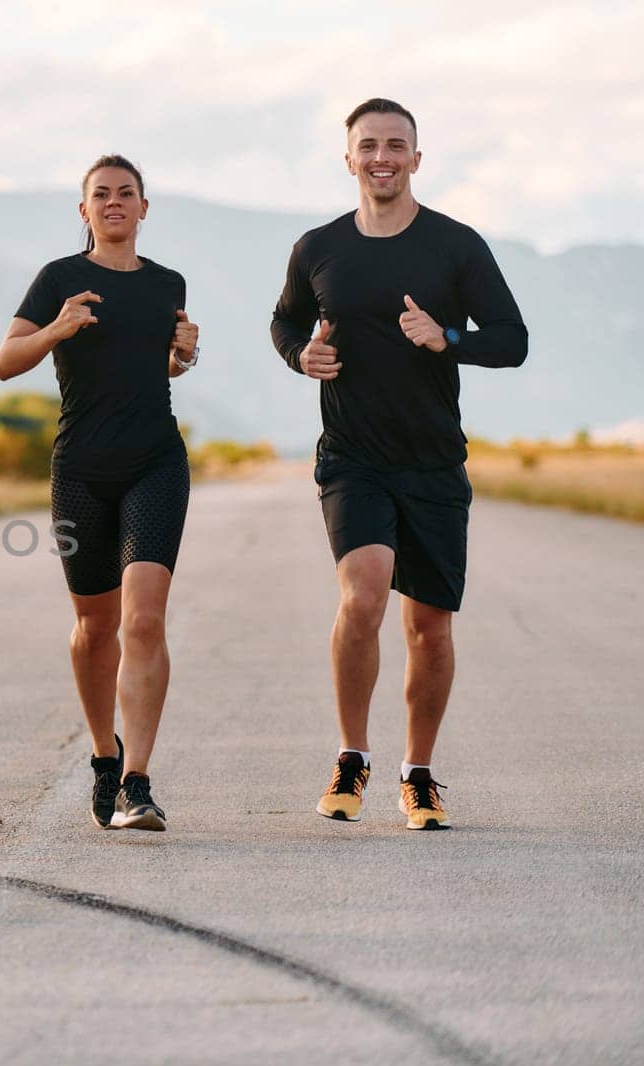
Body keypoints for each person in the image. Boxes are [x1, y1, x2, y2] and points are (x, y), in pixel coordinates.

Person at [270, 98, 528, 830]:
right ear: (348, 158)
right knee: (364, 594)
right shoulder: (318, 246)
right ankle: (351, 755)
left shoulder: (457, 246)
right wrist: (301, 354)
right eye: (368, 146)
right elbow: (285, 319)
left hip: (434, 463)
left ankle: (419, 773)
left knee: (430, 630)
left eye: (396, 146)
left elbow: (512, 338)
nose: (381, 158)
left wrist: (446, 336)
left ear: (417, 158)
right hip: (353, 458)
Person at [0, 155, 200, 833]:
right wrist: (56, 327)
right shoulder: (60, 279)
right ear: (83, 211)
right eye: (100, 195)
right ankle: (103, 754)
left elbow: (157, 365)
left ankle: (137, 782)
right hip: (80, 468)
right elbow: (6, 361)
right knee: (94, 626)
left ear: (145, 207)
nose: (114, 203)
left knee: (143, 618)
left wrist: (182, 355)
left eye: (126, 194)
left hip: (155, 462)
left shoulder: (167, 282)